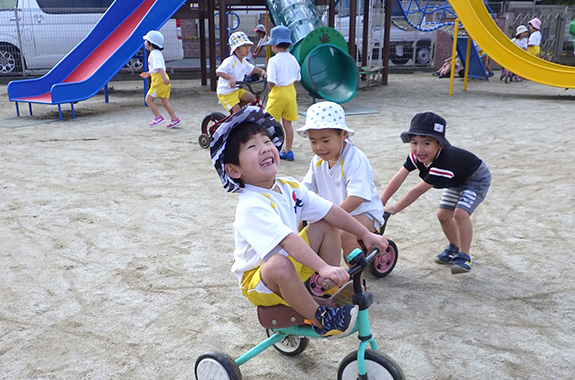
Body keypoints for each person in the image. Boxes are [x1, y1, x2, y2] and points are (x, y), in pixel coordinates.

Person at [210, 106, 388, 337]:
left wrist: (365, 234)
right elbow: (287, 240)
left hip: (290, 263)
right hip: (259, 279)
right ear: (234, 170)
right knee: (278, 264)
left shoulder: (289, 186)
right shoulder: (251, 204)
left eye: (266, 141)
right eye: (252, 147)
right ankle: (321, 318)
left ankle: (327, 290)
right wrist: (322, 267)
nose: (264, 148)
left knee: (325, 223)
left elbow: (330, 211)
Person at [380, 112, 491, 274]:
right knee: (443, 215)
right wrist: (381, 201)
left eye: (426, 143)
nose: (419, 149)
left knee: (460, 213)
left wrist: (394, 208)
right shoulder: (416, 157)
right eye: (414, 142)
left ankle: (464, 256)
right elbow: (399, 176)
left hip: (475, 179)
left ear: (440, 144)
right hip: (456, 180)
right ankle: (455, 246)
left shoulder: (443, 163)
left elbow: (417, 190)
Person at [297, 101, 384, 258]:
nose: (319, 147)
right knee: (302, 225)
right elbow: (306, 188)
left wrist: (331, 216)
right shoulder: (317, 161)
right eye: (313, 141)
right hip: (336, 213)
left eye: (325, 140)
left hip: (365, 212)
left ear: (343, 135)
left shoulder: (355, 159)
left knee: (345, 234)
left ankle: (357, 279)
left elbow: (357, 197)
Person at [265, 25, 301, 161]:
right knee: (288, 124)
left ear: (274, 46)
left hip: (278, 93)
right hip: (291, 92)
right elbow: (298, 78)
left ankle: (271, 150)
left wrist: (271, 87)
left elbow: (271, 81)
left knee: (268, 123)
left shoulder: (273, 60)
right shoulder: (292, 58)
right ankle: (288, 151)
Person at [216, 32, 266, 115]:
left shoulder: (243, 61)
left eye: (249, 46)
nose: (248, 49)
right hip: (226, 92)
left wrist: (262, 71)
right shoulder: (230, 61)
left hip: (236, 89)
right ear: (236, 49)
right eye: (244, 46)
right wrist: (230, 78)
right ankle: (234, 121)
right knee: (237, 111)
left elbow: (252, 68)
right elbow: (219, 71)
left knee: (251, 97)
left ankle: (235, 111)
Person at [139, 30, 181, 128]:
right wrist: (148, 74)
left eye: (146, 41)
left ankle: (158, 117)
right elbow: (156, 68)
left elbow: (159, 68)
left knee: (148, 99)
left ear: (150, 43)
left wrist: (163, 78)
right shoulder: (156, 53)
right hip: (160, 78)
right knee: (164, 101)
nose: (145, 42)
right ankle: (174, 119)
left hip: (159, 80)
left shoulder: (154, 54)